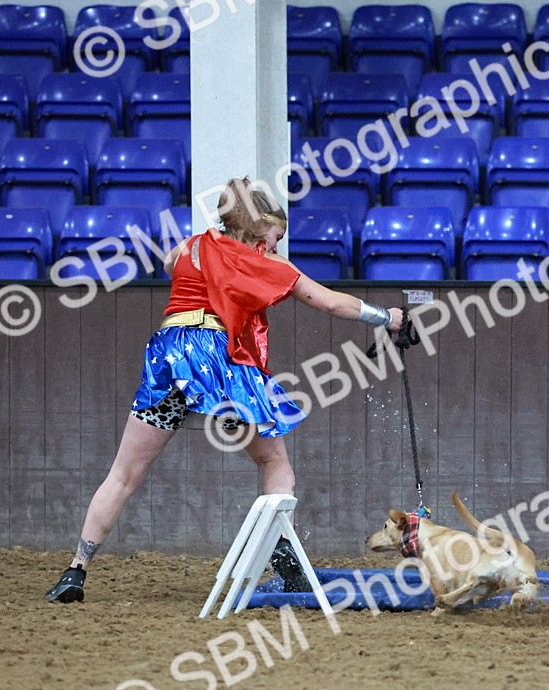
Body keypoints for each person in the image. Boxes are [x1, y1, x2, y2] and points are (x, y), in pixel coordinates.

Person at [46, 177, 404, 603]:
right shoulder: (265, 264)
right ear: (259, 230)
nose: (276, 246)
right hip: (220, 359)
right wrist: (387, 317)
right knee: (273, 460)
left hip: (170, 358)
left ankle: (76, 570)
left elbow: (170, 265)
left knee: (123, 474)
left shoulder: (191, 246)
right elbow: (328, 301)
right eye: (275, 237)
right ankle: (283, 550)